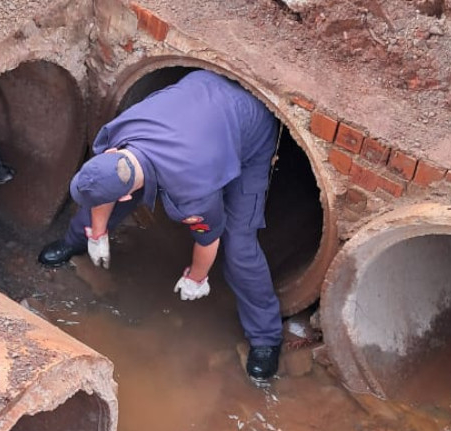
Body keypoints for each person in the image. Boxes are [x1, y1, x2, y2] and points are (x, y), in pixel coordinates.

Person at [38, 70, 283, 382]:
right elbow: (99, 188)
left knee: (240, 245)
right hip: (202, 96)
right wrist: (96, 233)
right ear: (113, 153)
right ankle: (75, 240)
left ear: (128, 190)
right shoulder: (117, 133)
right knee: (100, 194)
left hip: (251, 129)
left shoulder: (192, 192)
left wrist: (197, 277)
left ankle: (266, 338)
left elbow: (209, 239)